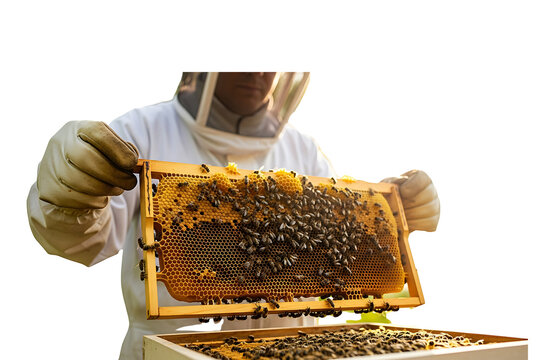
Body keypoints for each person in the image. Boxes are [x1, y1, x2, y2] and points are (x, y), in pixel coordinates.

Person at [27, 72, 440, 359]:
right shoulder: (141, 131)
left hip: (296, 351)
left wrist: (391, 215)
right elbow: (80, 240)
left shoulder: (305, 151)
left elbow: (338, 255)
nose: (259, 71)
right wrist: (67, 196)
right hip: (169, 352)